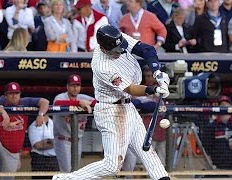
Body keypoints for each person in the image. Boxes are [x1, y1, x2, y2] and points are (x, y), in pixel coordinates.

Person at [53, 24, 170, 180]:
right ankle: (66, 179)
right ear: (104, 48)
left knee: (147, 153)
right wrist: (153, 90)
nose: (121, 51)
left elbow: (146, 49)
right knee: (112, 166)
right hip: (110, 111)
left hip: (128, 107)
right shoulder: (102, 65)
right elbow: (130, 89)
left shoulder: (117, 39)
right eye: (116, 50)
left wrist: (157, 72)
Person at [0, 82, 49, 177]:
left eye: (16, 93)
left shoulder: (25, 102)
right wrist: (3, 112)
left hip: (12, 152)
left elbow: (45, 101)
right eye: (11, 93)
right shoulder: (2, 101)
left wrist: (41, 114)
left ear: (20, 94)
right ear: (5, 95)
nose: (14, 96)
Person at [122, 66, 167, 172]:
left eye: (152, 76)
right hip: (145, 133)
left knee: (161, 164)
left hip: (160, 132)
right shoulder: (140, 90)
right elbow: (136, 102)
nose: (149, 78)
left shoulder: (163, 90)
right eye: (147, 76)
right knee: (142, 164)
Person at [53, 74, 96, 172]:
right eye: (72, 85)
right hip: (63, 140)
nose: (75, 88)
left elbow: (97, 102)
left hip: (77, 141)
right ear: (67, 86)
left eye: (77, 85)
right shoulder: (61, 97)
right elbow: (57, 103)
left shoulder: (82, 97)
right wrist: (79, 103)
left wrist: (88, 103)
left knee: (75, 171)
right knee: (66, 171)